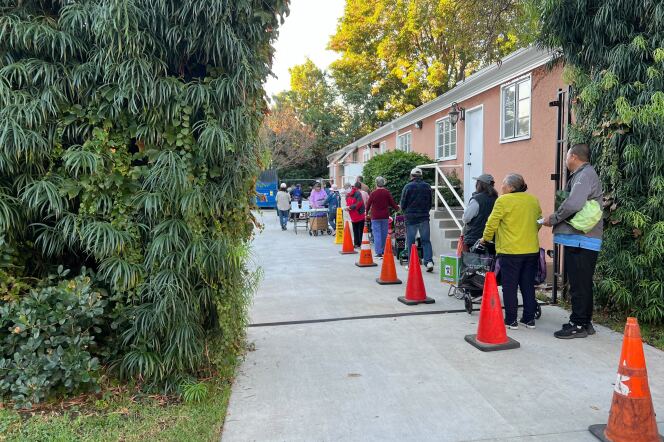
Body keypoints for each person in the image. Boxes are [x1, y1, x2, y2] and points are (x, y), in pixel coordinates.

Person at [543, 144, 603, 339]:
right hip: (583, 240)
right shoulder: (585, 174)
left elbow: (574, 204)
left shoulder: (584, 175)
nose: (566, 160)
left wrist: (553, 218)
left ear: (574, 157)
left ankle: (578, 324)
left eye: (567, 156)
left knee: (578, 283)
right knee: (583, 283)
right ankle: (585, 322)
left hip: (580, 239)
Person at [482, 174, 542, 329]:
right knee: (527, 285)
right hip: (531, 250)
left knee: (510, 286)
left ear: (511, 187)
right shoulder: (532, 200)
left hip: (510, 251)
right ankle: (529, 319)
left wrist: (485, 238)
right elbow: (539, 222)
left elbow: (492, 223)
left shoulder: (503, 200)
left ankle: (511, 320)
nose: (501, 186)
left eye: (503, 184)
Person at [400, 167, 434, 272]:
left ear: (411, 176)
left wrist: (404, 211)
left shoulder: (408, 187)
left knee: (411, 241)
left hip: (411, 218)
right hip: (424, 217)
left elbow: (403, 203)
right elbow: (430, 203)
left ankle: (412, 264)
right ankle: (428, 262)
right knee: (426, 241)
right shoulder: (427, 186)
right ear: (421, 176)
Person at [462, 174, 498, 252]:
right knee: (490, 263)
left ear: (480, 184)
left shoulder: (476, 199)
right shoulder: (497, 199)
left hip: (475, 239)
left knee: (473, 263)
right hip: (492, 238)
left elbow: (466, 218)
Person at [366, 176, 399, 257]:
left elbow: (368, 204)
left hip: (375, 216)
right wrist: (397, 208)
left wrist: (366, 213)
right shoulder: (387, 192)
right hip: (385, 216)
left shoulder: (373, 193)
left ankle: (379, 252)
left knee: (377, 234)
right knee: (384, 233)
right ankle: (384, 249)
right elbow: (392, 203)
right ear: (383, 183)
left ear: (376, 183)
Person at [344, 183, 366, 248]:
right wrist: (347, 208)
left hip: (359, 213)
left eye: (347, 189)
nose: (346, 190)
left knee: (360, 229)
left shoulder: (357, 193)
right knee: (355, 229)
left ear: (350, 187)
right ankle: (356, 243)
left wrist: (350, 207)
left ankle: (361, 242)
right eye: (345, 189)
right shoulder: (347, 195)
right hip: (352, 214)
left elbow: (359, 203)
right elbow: (348, 203)